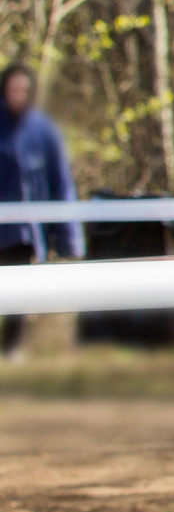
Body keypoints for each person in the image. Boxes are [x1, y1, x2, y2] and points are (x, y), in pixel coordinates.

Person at [0, 63, 79, 361]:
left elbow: (60, 184)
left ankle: (12, 351)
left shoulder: (42, 131)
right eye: (12, 90)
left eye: (24, 90)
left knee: (18, 294)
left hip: (23, 232)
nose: (18, 96)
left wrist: (68, 239)